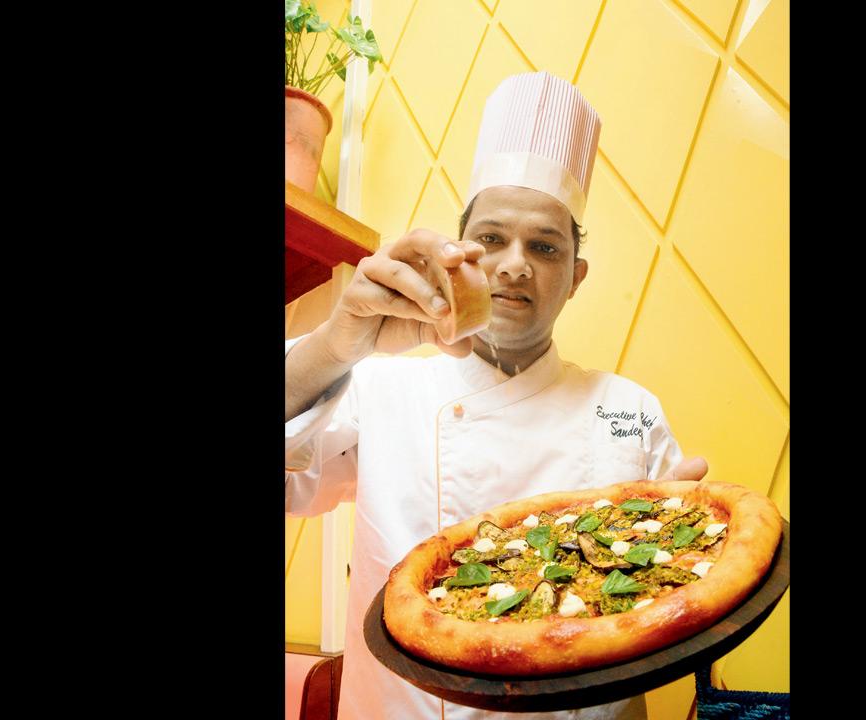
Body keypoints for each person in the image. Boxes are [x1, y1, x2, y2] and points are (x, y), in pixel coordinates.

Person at [286, 71, 708, 720]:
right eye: (491, 239)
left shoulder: (631, 411)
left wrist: (680, 558)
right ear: (460, 255)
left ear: (575, 277)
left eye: (544, 246)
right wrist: (337, 344)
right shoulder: (381, 389)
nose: (514, 263)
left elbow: (658, 621)